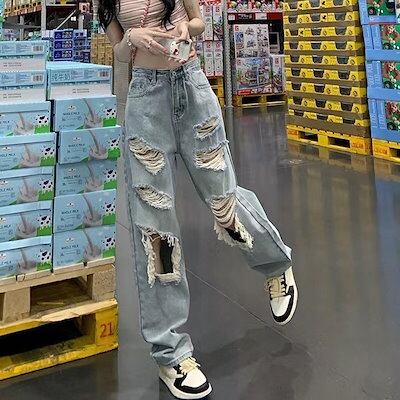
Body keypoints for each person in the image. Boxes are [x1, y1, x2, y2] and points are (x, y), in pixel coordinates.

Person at [99, 0, 298, 397]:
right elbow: (118, 50)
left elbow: (199, 21)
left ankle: (276, 264)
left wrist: (185, 30)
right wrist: (132, 38)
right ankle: (170, 353)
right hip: (145, 102)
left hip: (191, 87)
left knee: (224, 200)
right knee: (154, 227)